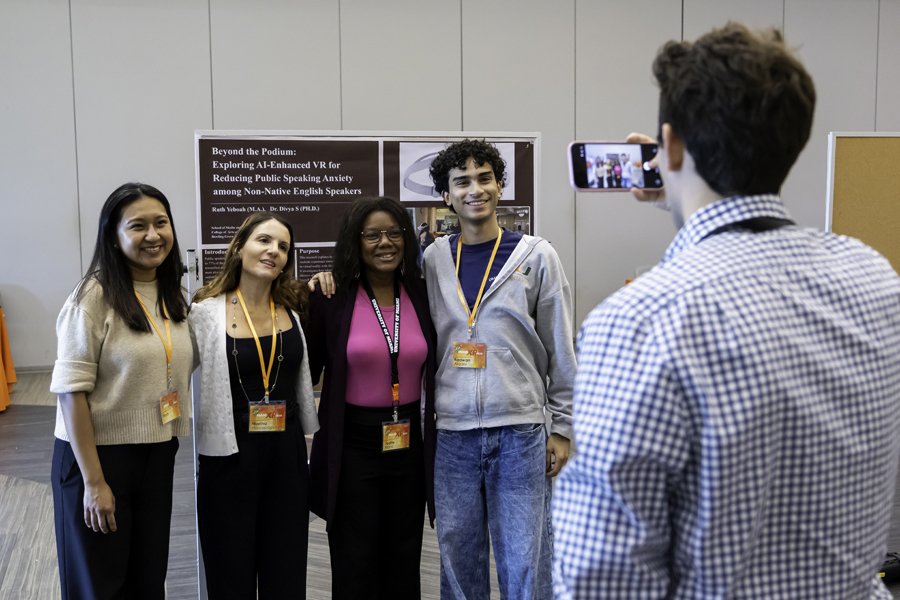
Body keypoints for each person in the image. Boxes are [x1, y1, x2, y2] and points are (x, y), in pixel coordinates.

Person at [552, 23, 900, 598]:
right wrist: (684, 190)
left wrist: (685, 188)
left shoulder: (637, 320)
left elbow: (604, 579)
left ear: (670, 145)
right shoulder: (875, 280)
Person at [424, 139, 576, 599]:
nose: (475, 189)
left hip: (519, 432)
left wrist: (563, 427)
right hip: (454, 434)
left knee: (525, 558)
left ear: (500, 185)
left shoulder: (536, 256)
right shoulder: (433, 260)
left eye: (485, 178)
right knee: (457, 558)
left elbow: (561, 348)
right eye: (462, 182)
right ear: (447, 196)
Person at [49, 182, 192, 599]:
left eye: (161, 223)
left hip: (157, 453)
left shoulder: (172, 296)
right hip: (97, 457)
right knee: (100, 584)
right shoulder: (91, 297)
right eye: (138, 226)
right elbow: (71, 392)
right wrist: (94, 483)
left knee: (148, 579)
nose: (153, 235)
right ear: (113, 236)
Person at [305, 196, 436, 598]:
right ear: (355, 241)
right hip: (353, 446)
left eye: (394, 233)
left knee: (403, 558)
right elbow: (307, 369)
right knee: (354, 560)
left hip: (409, 444)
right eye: (372, 234)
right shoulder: (332, 298)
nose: (385, 242)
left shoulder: (421, 293)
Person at [189, 212, 319, 599]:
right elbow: (170, 367)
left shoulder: (293, 307)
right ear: (239, 247)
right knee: (230, 576)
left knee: (286, 573)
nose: (274, 251)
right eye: (264, 240)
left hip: (286, 459)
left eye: (283, 246)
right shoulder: (205, 313)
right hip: (229, 460)